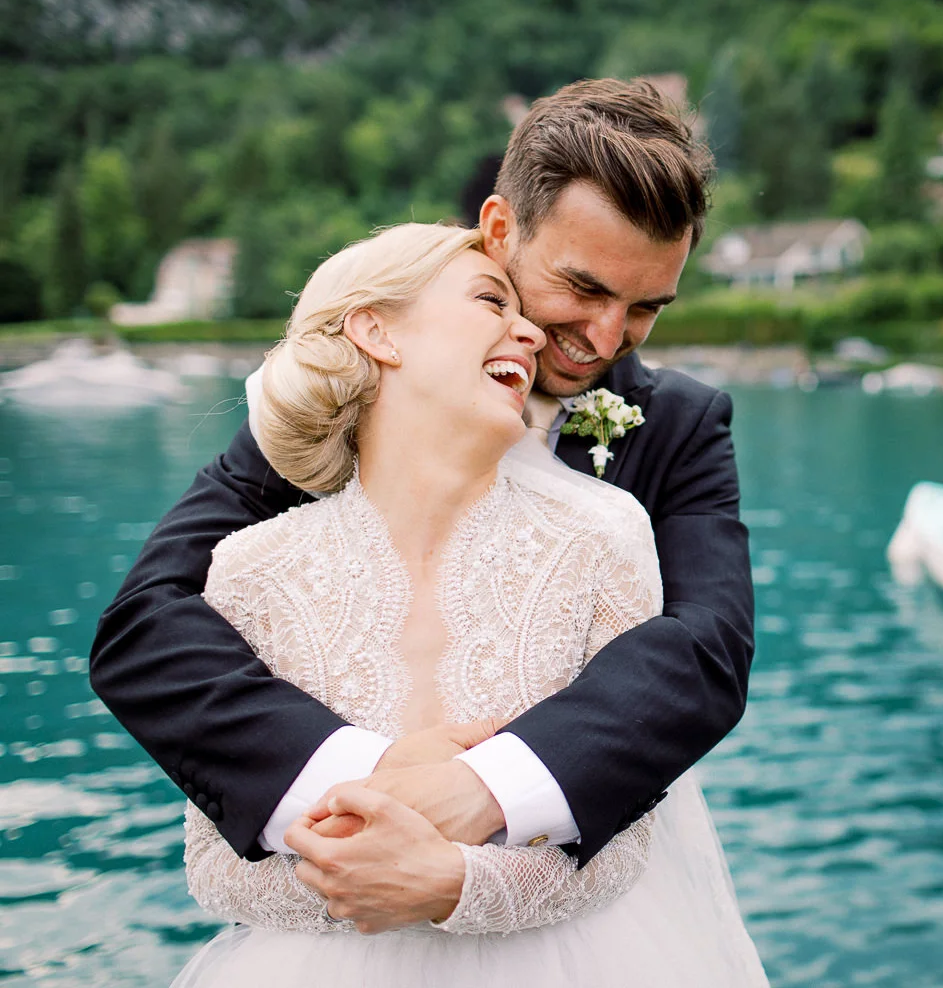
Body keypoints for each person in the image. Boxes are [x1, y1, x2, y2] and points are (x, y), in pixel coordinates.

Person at [89, 80, 756, 941]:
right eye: (582, 288)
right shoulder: (343, 404)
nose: (601, 337)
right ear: (501, 228)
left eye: (643, 310)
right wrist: (371, 780)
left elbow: (706, 651)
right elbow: (145, 627)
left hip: (583, 864)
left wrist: (485, 795)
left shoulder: (679, 424)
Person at [167, 221, 765, 985]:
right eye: (492, 301)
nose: (528, 333)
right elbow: (214, 866)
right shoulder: (251, 566)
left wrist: (453, 887)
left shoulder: (605, 534)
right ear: (376, 330)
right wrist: (367, 876)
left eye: (646, 304)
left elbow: (628, 831)